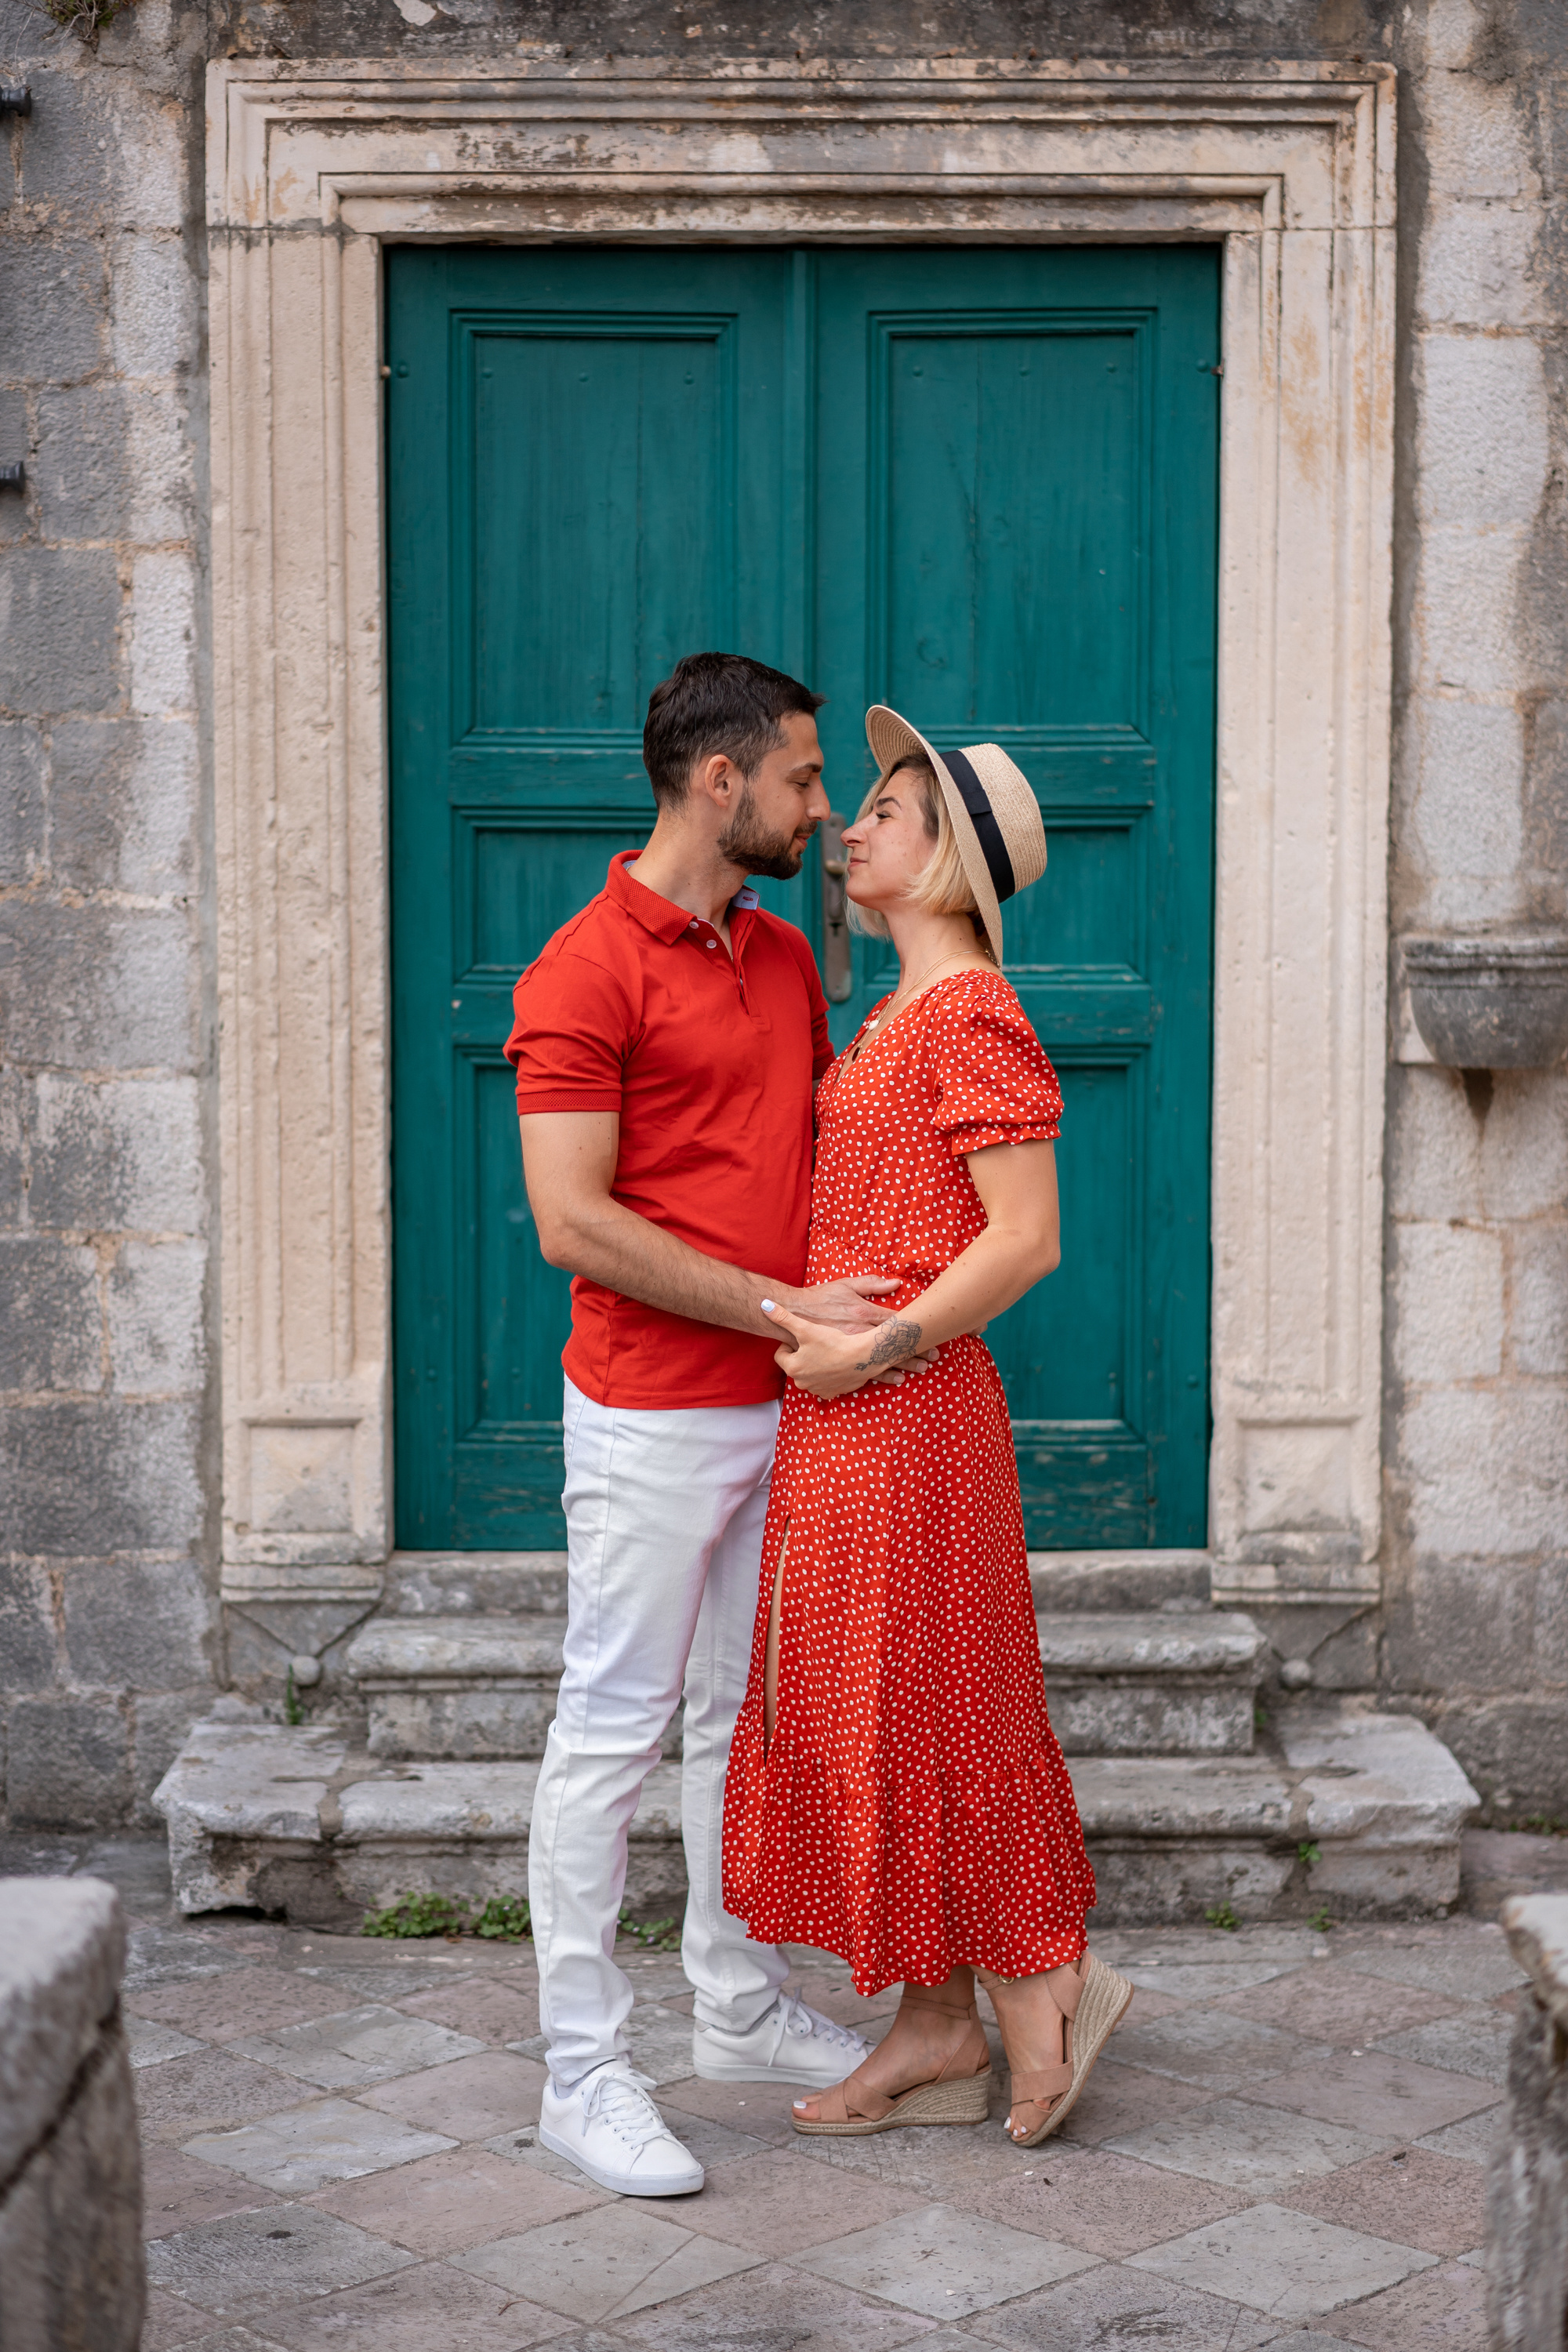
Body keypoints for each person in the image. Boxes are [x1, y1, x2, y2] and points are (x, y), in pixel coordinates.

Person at [505, 653, 933, 2199]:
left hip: (788, 1404)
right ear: (719, 780)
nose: (824, 810)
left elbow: (816, 1157)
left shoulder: (781, 954)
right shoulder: (579, 972)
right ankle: (580, 2074)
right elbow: (572, 1221)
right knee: (612, 1729)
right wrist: (778, 1303)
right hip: (650, 1415)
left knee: (737, 1722)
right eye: (805, 780)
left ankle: (736, 2006)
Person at [721, 705, 1134, 2147]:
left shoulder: (968, 1012)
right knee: (882, 1707)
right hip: (851, 1416)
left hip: (908, 1412)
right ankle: (938, 2016)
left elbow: (1027, 1240)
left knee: (942, 1705)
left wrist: (876, 1348)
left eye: (888, 810)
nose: (851, 826)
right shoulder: (896, 1013)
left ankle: (1032, 1986)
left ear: (948, 855)